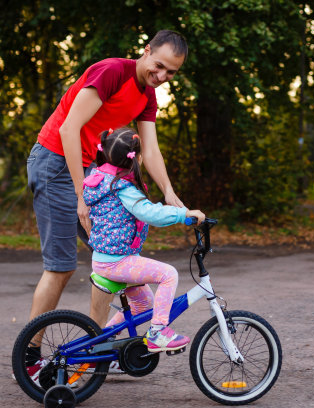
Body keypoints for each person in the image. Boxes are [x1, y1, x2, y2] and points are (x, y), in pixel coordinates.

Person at [23, 30, 189, 376]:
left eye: (171, 73)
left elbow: (151, 150)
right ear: (146, 52)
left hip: (92, 172)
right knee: (61, 265)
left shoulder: (147, 97)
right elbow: (70, 129)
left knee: (116, 257)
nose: (161, 77)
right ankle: (29, 358)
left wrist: (170, 195)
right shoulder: (112, 72)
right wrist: (81, 196)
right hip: (56, 161)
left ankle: (96, 349)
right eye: (158, 66)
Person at [84, 127, 205, 351]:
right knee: (168, 274)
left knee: (143, 304)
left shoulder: (99, 179)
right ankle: (158, 332)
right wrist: (183, 214)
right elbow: (149, 213)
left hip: (107, 259)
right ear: (137, 158)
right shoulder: (121, 187)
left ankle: (102, 345)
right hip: (116, 262)